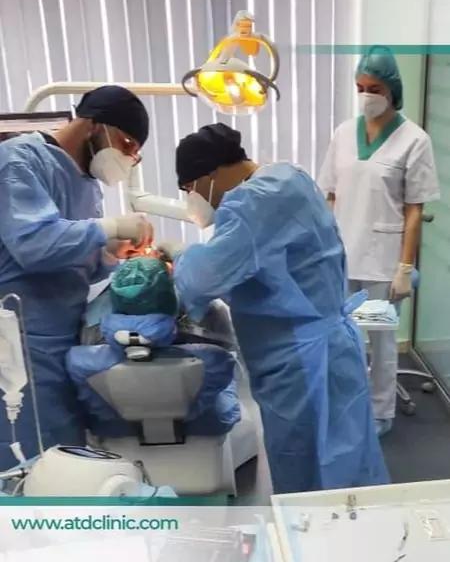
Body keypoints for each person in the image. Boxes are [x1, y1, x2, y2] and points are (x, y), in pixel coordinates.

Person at [161, 122, 389, 494]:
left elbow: (204, 277)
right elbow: (262, 265)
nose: (192, 198)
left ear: (210, 175)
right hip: (330, 348)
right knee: (348, 466)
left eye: (189, 189)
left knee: (305, 473)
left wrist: (177, 255)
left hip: (301, 365)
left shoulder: (253, 203)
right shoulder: (289, 177)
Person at [0, 85, 154, 469]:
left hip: (59, 334)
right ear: (92, 125)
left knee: (65, 451)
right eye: (126, 142)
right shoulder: (17, 162)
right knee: (29, 456)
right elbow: (33, 244)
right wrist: (111, 226)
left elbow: (75, 259)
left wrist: (111, 253)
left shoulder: (86, 183)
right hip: (20, 338)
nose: (128, 156)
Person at [318, 46, 440, 437]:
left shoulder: (414, 140)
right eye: (360, 86)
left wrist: (404, 267)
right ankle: (347, 403)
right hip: (342, 257)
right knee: (342, 340)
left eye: (373, 87)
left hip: (381, 262)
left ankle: (379, 413)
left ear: (392, 90)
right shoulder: (342, 134)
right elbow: (330, 195)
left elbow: (414, 209)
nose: (366, 94)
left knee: (382, 344)